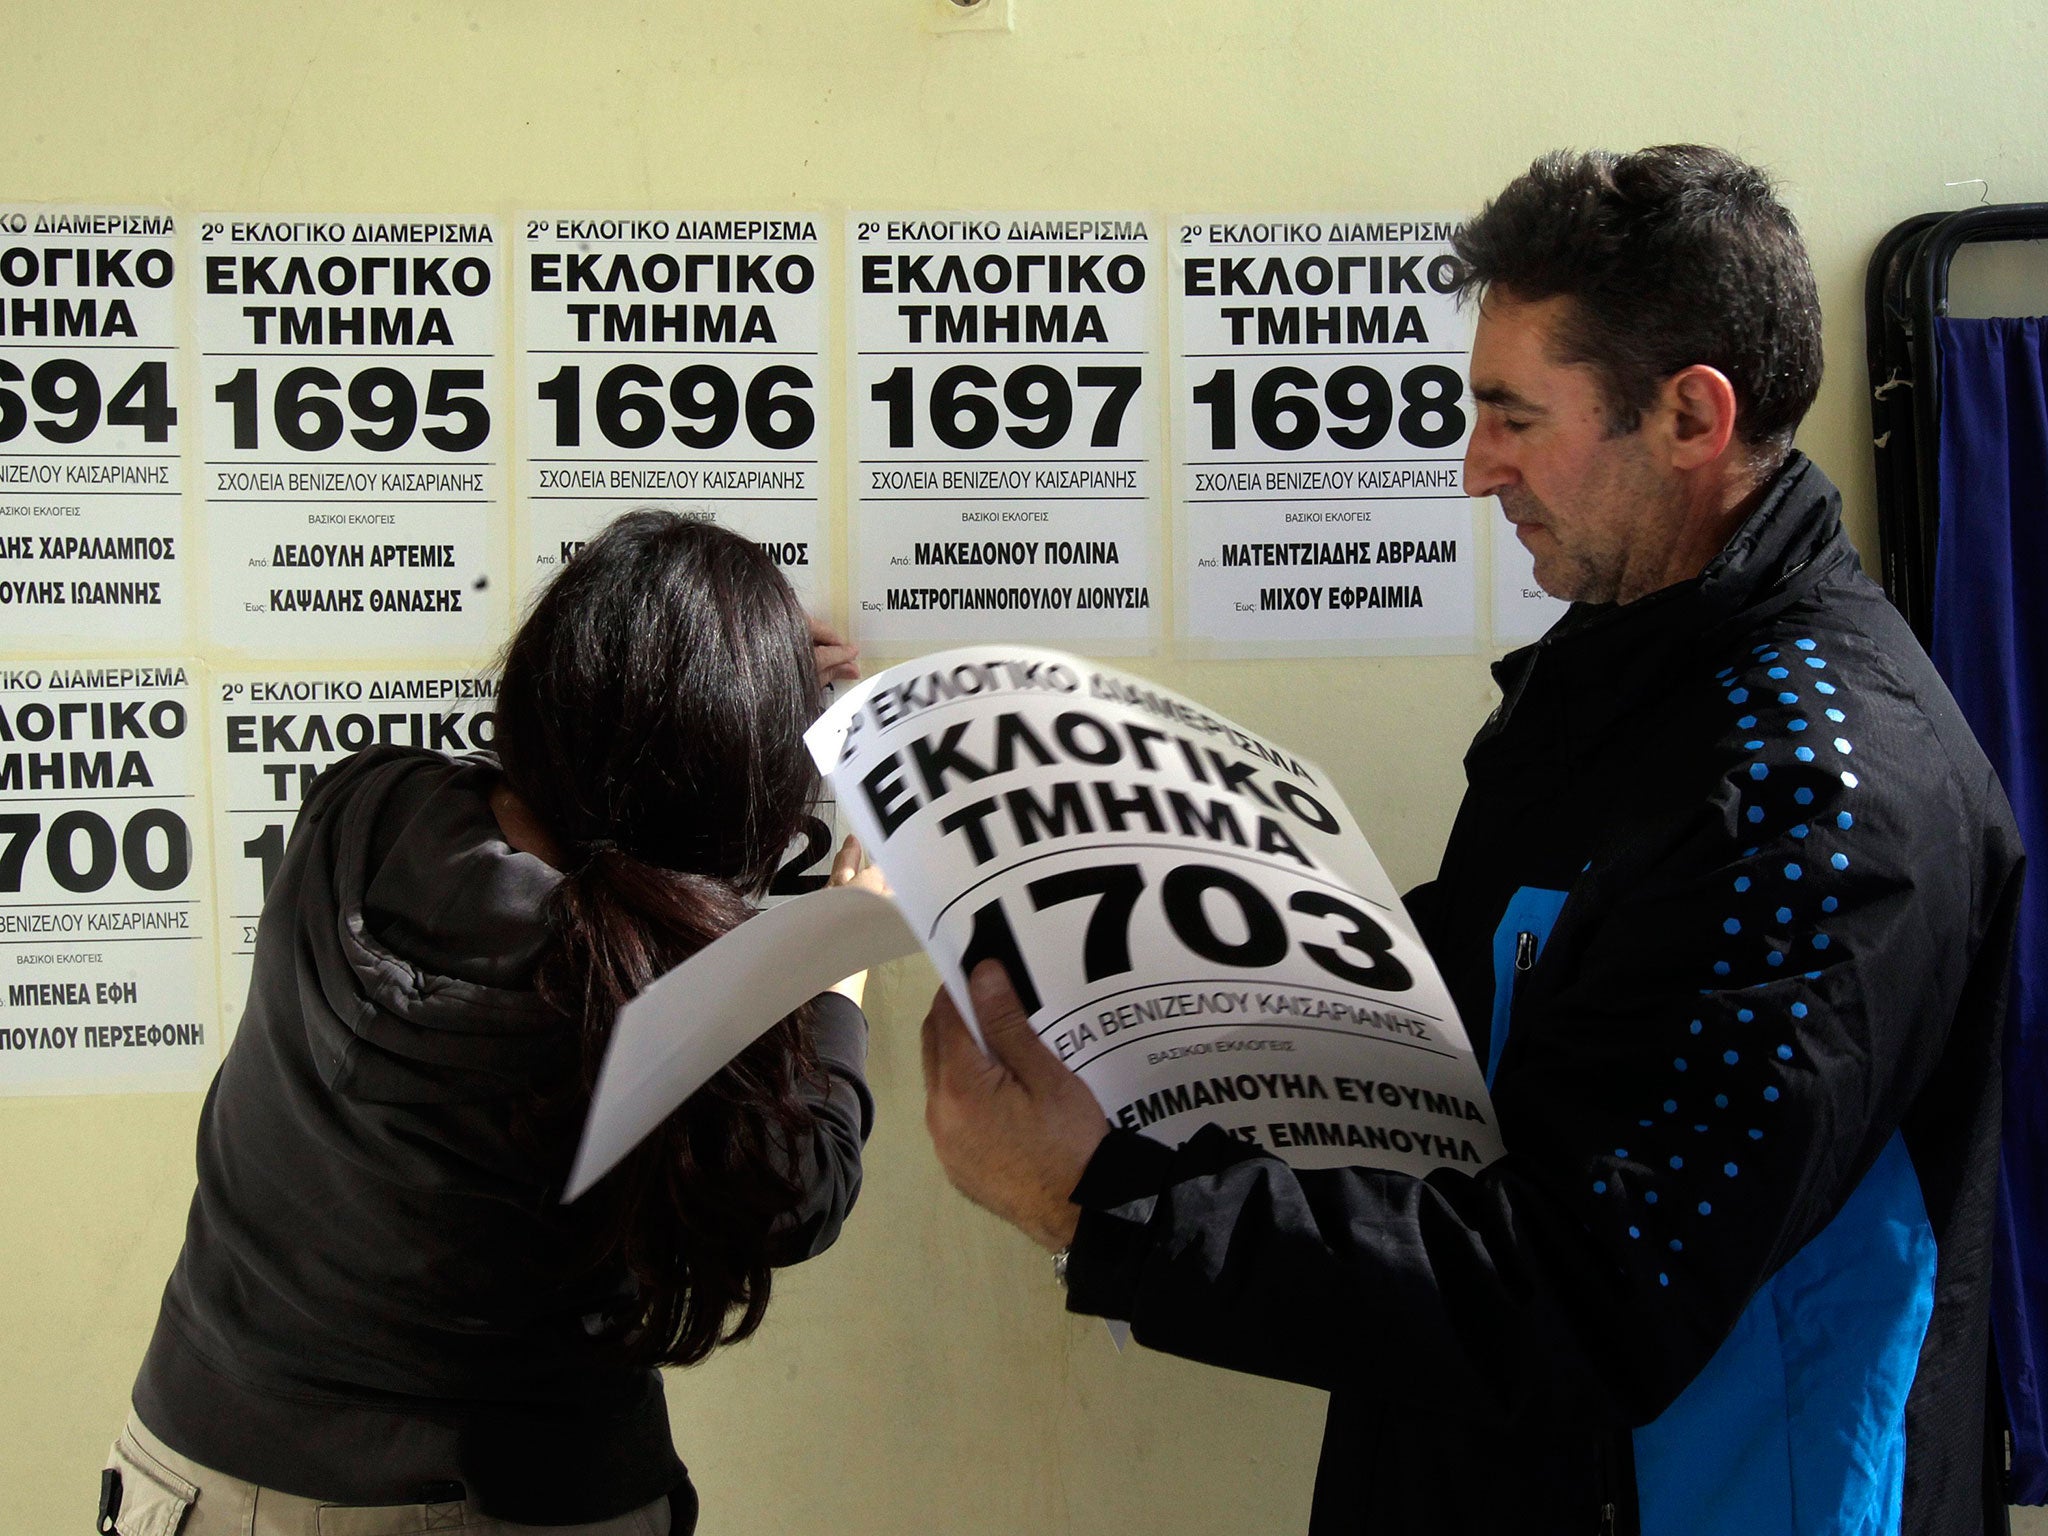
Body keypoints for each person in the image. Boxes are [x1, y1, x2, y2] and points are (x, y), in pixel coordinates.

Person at [920, 146, 2026, 1535]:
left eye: (1514, 415)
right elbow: (1462, 1055)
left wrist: (1105, 1205)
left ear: (1691, 414)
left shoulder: (1824, 801)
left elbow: (1584, 1298)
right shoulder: (1618, 671)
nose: (1471, 469)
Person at [105, 512, 880, 1535]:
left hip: (190, 1470)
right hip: (494, 1503)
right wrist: (844, 947)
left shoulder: (363, 808)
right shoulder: (655, 997)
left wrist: (727, 685)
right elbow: (799, 1190)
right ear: (734, 774)